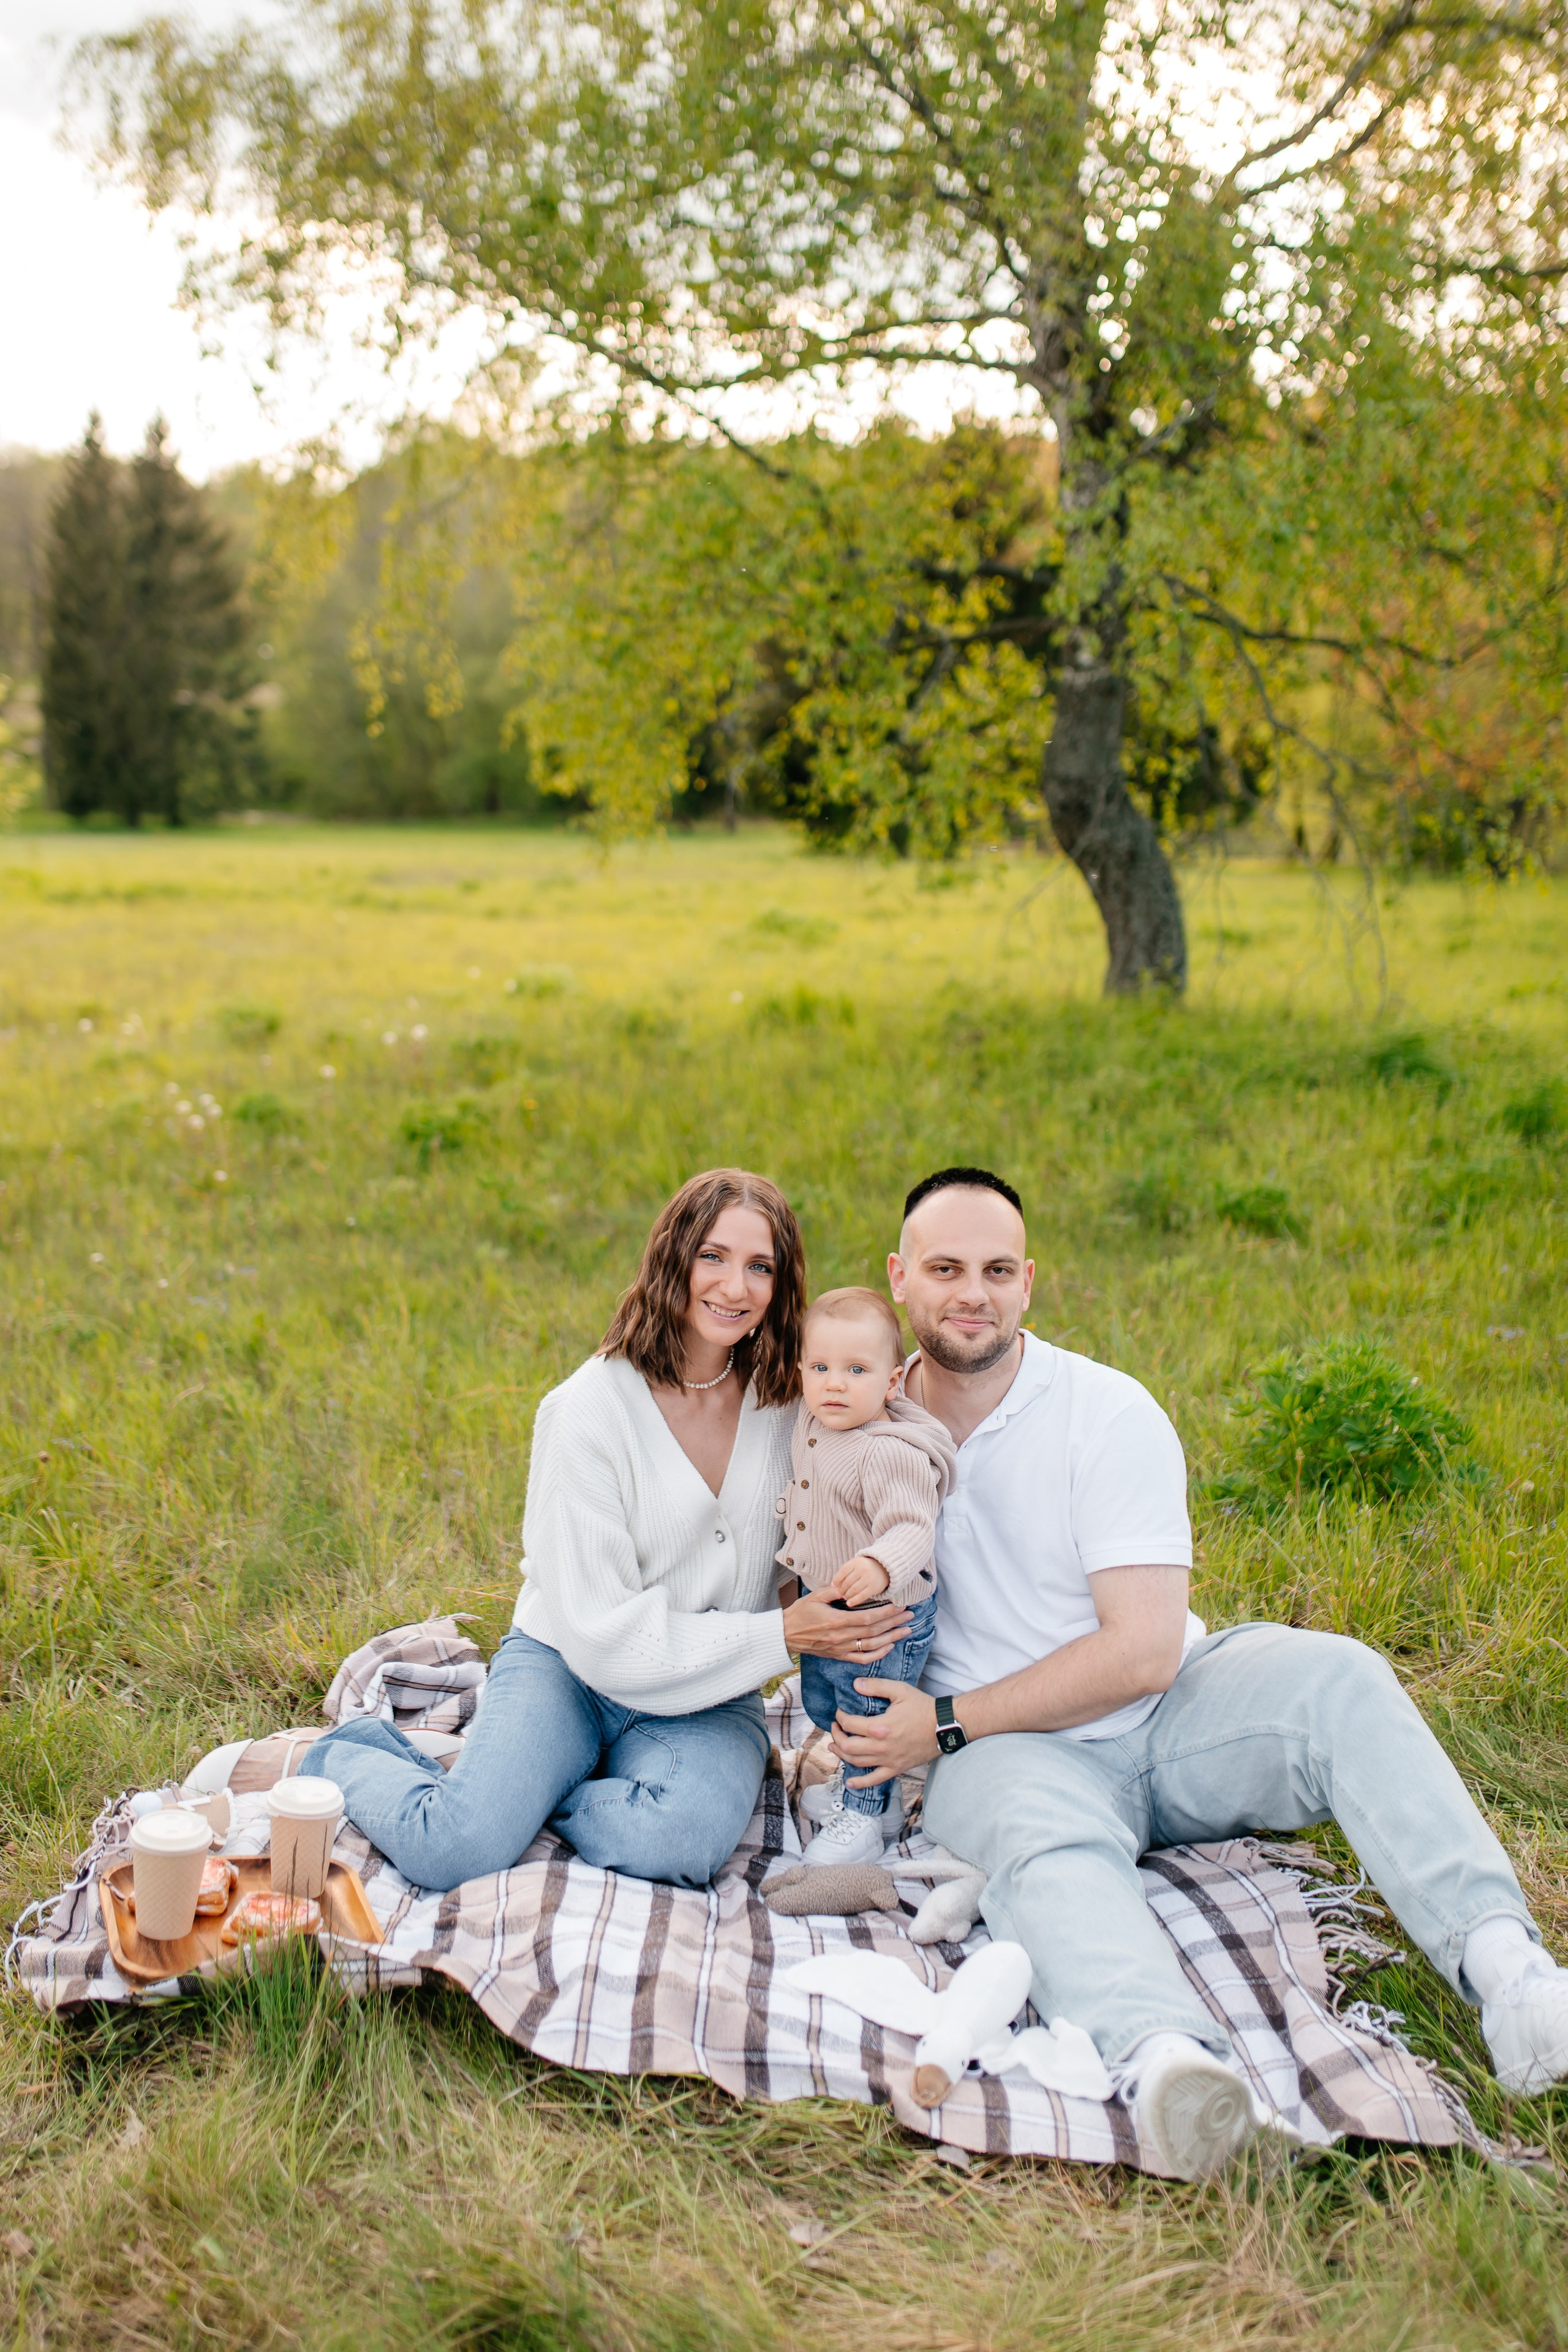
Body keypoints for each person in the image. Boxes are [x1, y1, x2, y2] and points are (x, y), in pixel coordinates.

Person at [828, 1165, 1568, 2180]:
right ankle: (1172, 2064)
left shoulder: (1106, 1411)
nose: (973, 1292)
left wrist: (942, 1722)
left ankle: (1512, 1977)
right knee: (1045, 1849)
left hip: (1162, 1710)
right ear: (899, 1278)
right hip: (1010, 1755)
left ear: (1031, 1282)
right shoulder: (855, 1428)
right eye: (946, 1267)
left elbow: (1143, 1649)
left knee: (1339, 1678)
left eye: (998, 1269)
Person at [306, 1169, 913, 1892]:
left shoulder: (795, 1403)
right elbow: (599, 1632)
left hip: (708, 1691)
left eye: (761, 1267)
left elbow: (877, 1468)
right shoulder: (586, 1410)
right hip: (570, 1668)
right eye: (712, 1257)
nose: (734, 1286)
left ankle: (540, 1796)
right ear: (673, 1257)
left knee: (678, 1841)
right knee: (456, 1849)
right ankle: (353, 1752)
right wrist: (782, 1638)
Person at [774, 1286, 956, 1868]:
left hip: (884, 1616)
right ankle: (870, 1799)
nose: (834, 1383)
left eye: (856, 1370)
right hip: (831, 1604)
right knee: (827, 1702)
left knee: (866, 1716)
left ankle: (864, 1815)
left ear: (892, 1383)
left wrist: (880, 1564)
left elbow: (911, 1528)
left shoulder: (887, 1452)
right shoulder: (814, 1419)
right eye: (820, 1367)